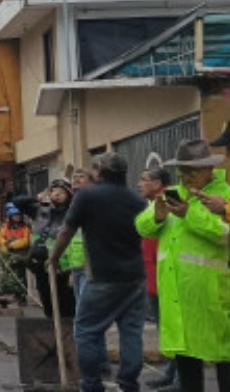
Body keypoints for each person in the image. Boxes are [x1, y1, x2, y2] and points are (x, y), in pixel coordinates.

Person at [135, 139, 230, 392]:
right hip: (176, 297)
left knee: (224, 358)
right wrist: (157, 215)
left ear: (209, 170)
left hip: (212, 297)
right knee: (187, 366)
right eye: (181, 173)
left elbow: (225, 234)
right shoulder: (172, 194)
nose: (186, 178)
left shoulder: (225, 196)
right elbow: (142, 227)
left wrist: (190, 214)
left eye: (192, 172)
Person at [48, 153, 146, 392]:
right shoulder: (137, 200)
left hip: (102, 276)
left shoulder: (87, 197)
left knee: (86, 331)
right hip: (135, 277)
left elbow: (66, 231)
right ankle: (128, 383)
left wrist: (53, 258)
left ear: (99, 172)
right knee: (131, 332)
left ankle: (92, 384)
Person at [137, 166, 178, 392]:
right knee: (167, 330)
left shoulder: (170, 200)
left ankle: (180, 380)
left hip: (166, 277)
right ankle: (172, 374)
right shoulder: (154, 203)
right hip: (155, 276)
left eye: (144, 179)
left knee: (175, 330)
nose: (139, 184)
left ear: (157, 183)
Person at [20, 179, 77, 318]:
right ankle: (53, 334)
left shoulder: (73, 214)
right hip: (41, 266)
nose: (56, 195)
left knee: (66, 307)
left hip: (62, 268)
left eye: (61, 192)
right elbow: (17, 202)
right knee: (48, 305)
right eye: (53, 191)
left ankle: (67, 336)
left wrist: (73, 271)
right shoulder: (40, 211)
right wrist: (37, 197)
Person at [0, 202, 32, 305]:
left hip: (21, 254)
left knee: (20, 275)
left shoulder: (25, 228)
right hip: (9, 254)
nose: (17, 218)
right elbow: (0, 239)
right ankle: (14, 294)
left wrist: (12, 244)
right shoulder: (5, 228)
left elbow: (26, 241)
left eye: (19, 216)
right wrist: (5, 246)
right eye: (15, 216)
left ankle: (21, 296)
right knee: (11, 275)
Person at [69, 170, 95, 300]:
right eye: (74, 177)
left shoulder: (94, 200)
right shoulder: (73, 202)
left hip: (90, 264)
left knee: (87, 306)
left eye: (81, 177)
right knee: (80, 306)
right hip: (76, 265)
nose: (77, 179)